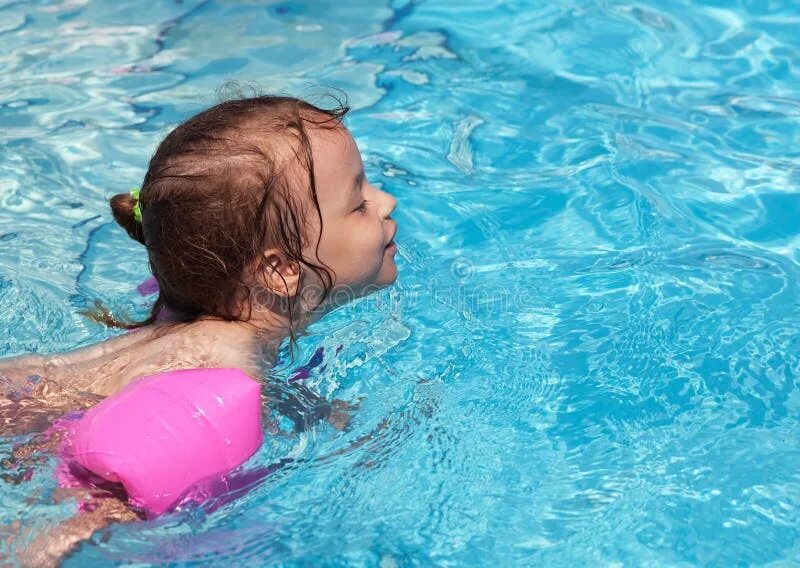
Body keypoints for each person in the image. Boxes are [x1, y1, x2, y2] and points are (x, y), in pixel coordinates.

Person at [0, 94, 398, 565]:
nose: (386, 201)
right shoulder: (214, 384)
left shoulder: (198, 304)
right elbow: (71, 524)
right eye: (358, 202)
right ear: (279, 269)